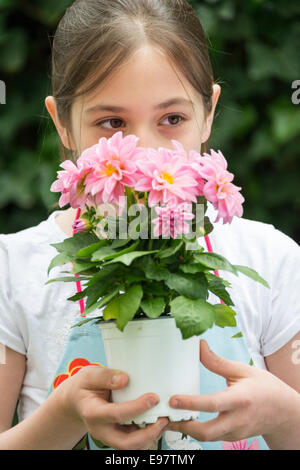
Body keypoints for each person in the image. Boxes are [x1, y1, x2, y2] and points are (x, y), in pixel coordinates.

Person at [0, 0, 299, 450]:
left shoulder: (271, 260)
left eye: (172, 119)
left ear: (209, 111)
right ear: (62, 123)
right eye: (111, 122)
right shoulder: (12, 271)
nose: (143, 153)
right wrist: (63, 415)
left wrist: (283, 416)